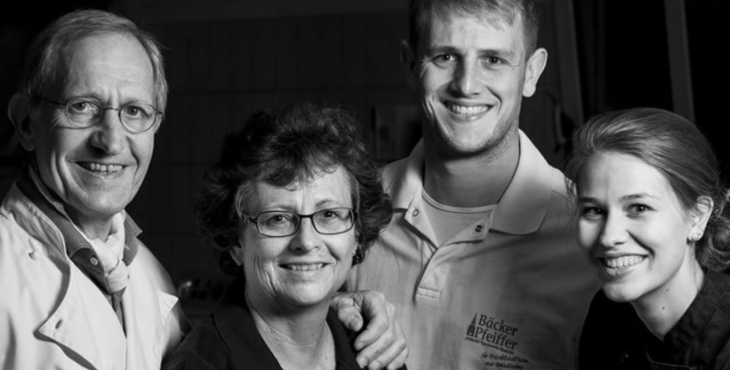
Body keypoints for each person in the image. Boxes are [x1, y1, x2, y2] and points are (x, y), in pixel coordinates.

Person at [0, 9, 404, 370]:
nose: (111, 140)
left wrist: (323, 304)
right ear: (25, 123)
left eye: (134, 111)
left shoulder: (145, 275)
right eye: (81, 106)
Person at [346, 0, 600, 369]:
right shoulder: (347, 211)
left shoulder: (589, 234)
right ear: (410, 64)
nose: (466, 85)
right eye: (445, 57)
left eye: (493, 60)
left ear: (531, 73)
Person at [163, 103, 405, 370]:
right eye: (278, 219)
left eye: (329, 215)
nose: (306, 241)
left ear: (357, 234)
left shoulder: (374, 349)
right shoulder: (201, 364)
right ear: (235, 242)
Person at [565, 108, 730, 369]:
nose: (609, 237)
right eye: (594, 211)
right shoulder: (606, 316)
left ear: (698, 217)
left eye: (639, 208)